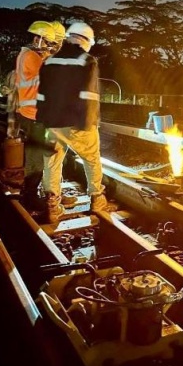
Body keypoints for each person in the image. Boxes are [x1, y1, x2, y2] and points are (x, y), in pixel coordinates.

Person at [37, 22, 112, 225]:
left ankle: (52, 207)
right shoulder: (86, 60)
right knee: (92, 159)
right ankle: (97, 199)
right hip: (77, 122)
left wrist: (42, 119)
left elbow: (42, 94)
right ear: (86, 40)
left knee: (51, 162)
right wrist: (88, 123)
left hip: (53, 123)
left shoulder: (49, 61)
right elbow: (89, 95)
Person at [9, 21, 65, 209]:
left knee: (36, 156)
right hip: (33, 114)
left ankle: (31, 194)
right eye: (47, 42)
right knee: (36, 159)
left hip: (30, 113)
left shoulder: (27, 54)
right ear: (38, 39)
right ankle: (30, 197)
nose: (49, 46)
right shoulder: (32, 56)